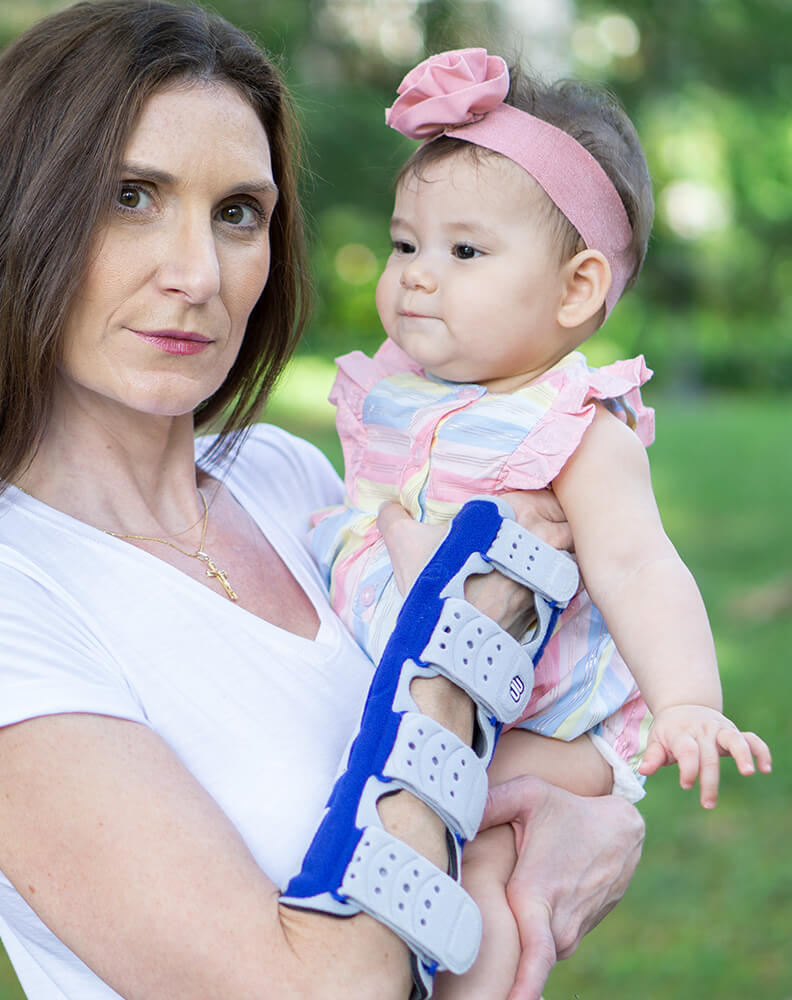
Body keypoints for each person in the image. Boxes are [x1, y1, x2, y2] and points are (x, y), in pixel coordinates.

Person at [0, 7, 648, 1000]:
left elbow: (511, 818)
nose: (196, 274)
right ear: (14, 217)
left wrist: (594, 818)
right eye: (130, 196)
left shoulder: (287, 480)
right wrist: (461, 642)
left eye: (237, 213)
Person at [311, 48, 772, 998]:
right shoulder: (398, 391)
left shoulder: (575, 429)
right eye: (407, 246)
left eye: (464, 252)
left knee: (476, 872)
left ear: (575, 289)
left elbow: (642, 567)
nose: (418, 279)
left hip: (542, 721)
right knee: (397, 833)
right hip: (435, 679)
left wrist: (687, 701)